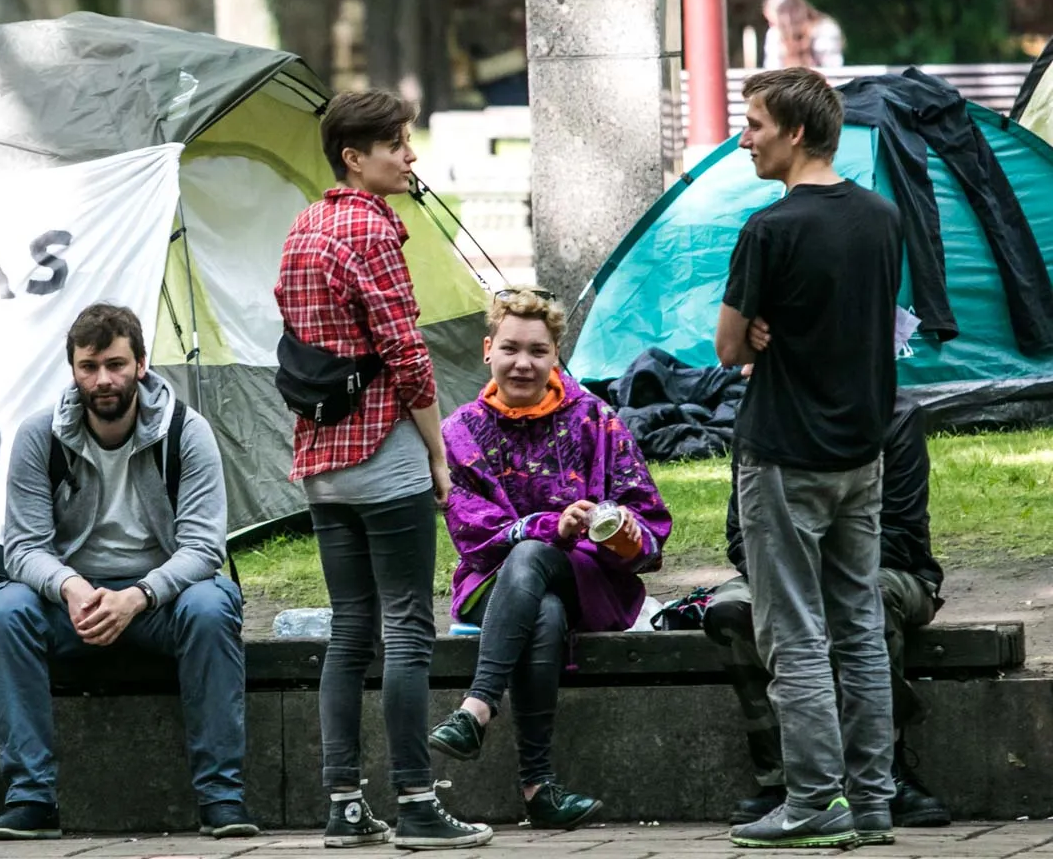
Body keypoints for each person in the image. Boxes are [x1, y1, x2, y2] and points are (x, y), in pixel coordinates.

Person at [275, 90, 491, 850]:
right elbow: (407, 354)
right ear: (353, 158)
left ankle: (342, 806)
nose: (409, 155)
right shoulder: (371, 231)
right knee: (407, 630)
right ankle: (417, 802)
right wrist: (438, 452)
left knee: (349, 632)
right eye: (395, 144)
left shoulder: (304, 225)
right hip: (382, 452)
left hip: (319, 462)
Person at [714, 67, 904, 848]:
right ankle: (872, 803)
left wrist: (756, 331)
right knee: (858, 626)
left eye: (754, 123)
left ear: (795, 132)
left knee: (791, 634)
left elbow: (728, 347)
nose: (744, 137)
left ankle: (814, 802)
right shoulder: (883, 216)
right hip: (862, 452)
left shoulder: (771, 228)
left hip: (784, 453)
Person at [0, 304, 254, 842]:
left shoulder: (185, 431)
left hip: (160, 603)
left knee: (211, 604)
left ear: (141, 365)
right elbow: (23, 548)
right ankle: (32, 799)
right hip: (72, 606)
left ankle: (222, 796)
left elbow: (203, 548)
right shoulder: (40, 436)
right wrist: (72, 587)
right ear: (73, 371)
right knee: (4, 610)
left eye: (115, 364)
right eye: (88, 367)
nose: (103, 379)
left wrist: (140, 596)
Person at [429, 290, 672, 830]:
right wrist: (549, 525)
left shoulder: (595, 419)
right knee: (541, 601)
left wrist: (625, 533)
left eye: (538, 351)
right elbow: (473, 532)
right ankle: (539, 789)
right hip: (493, 583)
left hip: (591, 581)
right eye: (511, 349)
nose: (523, 363)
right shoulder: (460, 432)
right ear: (487, 350)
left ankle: (476, 709)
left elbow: (649, 521)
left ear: (556, 355)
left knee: (536, 557)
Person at [708, 401, 950, 830]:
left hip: (891, 572)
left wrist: (809, 574)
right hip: (786, 570)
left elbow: (903, 536)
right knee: (731, 608)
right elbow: (740, 535)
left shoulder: (894, 415)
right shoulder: (762, 420)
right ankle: (782, 777)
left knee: (860, 604)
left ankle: (881, 775)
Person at [762, 0, 844, 70]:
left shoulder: (825, 30)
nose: (788, 20)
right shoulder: (775, 34)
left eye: (792, 11)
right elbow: (773, 70)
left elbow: (831, 69)